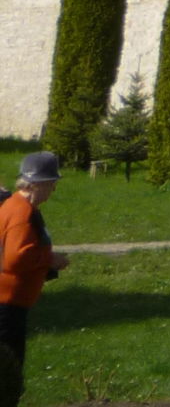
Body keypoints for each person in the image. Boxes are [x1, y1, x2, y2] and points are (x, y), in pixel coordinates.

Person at [0, 152, 68, 407]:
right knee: (8, 373)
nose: (53, 189)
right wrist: (49, 259)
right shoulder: (21, 213)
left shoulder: (17, 206)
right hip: (7, 306)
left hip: (9, 303)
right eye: (52, 183)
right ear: (37, 184)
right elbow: (15, 259)